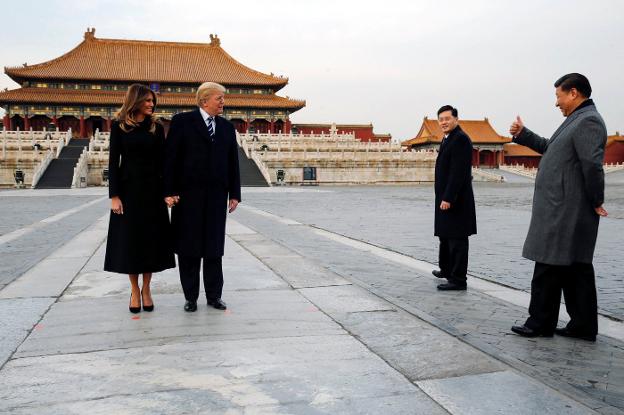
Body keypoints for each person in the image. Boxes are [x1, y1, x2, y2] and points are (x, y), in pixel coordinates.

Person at [510, 73, 607, 341]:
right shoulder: (576, 120)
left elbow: (592, 166)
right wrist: (524, 135)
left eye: (558, 96)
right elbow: (551, 149)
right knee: (575, 268)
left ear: (573, 93)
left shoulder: (588, 121)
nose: (557, 103)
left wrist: (596, 199)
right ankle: (583, 326)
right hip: (564, 207)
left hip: (565, 209)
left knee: (548, 266)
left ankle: (540, 323)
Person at [163, 82, 241, 312]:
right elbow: (170, 159)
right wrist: (168, 190)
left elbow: (232, 163)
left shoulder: (227, 127)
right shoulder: (182, 122)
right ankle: (190, 297)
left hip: (217, 197)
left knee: (214, 249)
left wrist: (234, 193)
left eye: (223, 99)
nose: (223, 102)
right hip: (187, 198)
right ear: (204, 100)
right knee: (189, 250)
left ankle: (214, 296)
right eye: (219, 98)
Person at [104, 84, 176, 313]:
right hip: (128, 192)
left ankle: (147, 289)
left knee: (151, 242)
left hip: (153, 193)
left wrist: (168, 192)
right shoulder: (119, 127)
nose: (151, 105)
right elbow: (113, 162)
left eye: (152, 101)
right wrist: (114, 196)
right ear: (135, 101)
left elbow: (164, 161)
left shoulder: (156, 126)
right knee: (131, 243)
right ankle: (134, 290)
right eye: (147, 101)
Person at [431, 105, 477, 291]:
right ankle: (446, 269)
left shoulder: (460, 139)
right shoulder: (448, 138)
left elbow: (458, 173)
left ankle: (458, 279)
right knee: (445, 236)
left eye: (447, 118)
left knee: (457, 239)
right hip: (445, 197)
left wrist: (448, 197)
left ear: (456, 119)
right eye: (440, 119)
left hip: (456, 200)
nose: (443, 122)